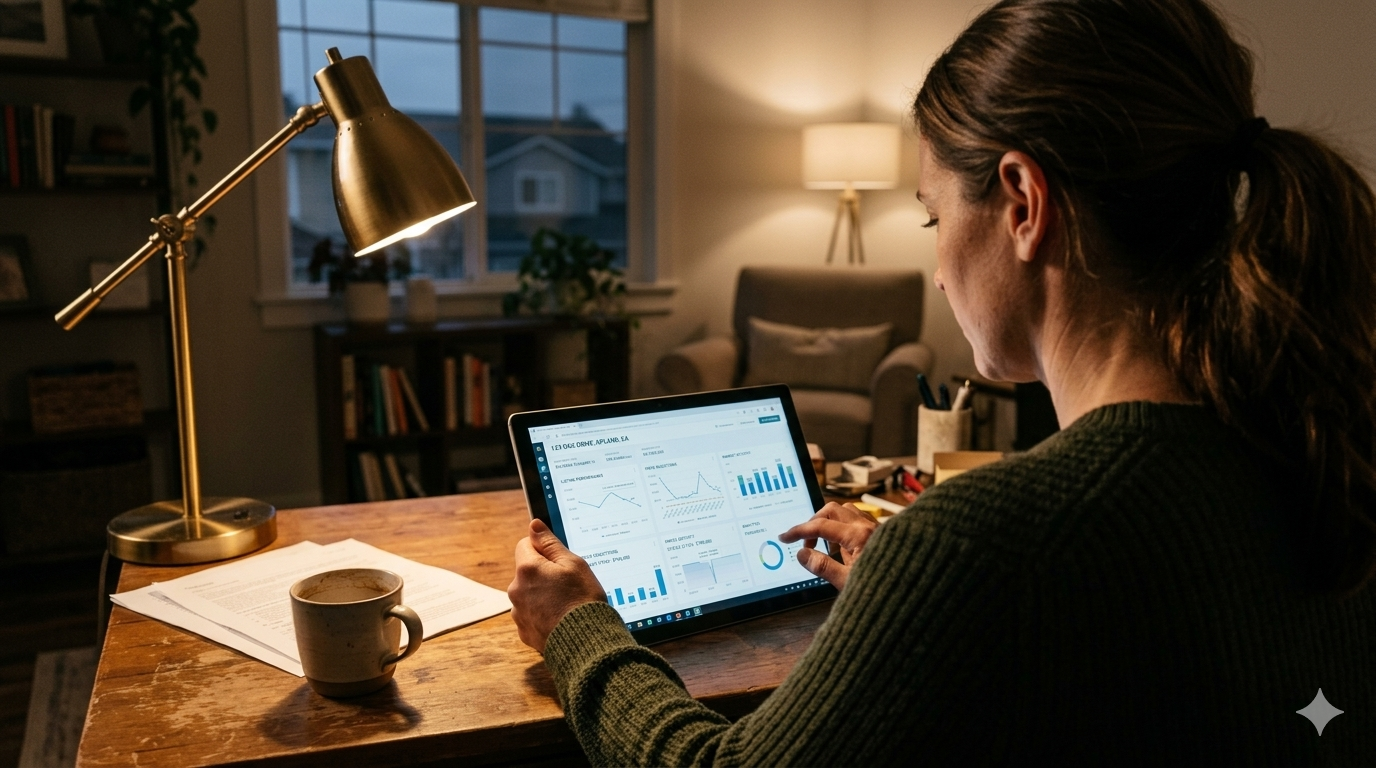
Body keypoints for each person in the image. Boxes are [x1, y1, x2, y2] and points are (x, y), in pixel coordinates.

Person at [506, 0, 1376, 763]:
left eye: (932, 215)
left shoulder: (983, 542)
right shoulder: (1321, 451)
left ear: (1024, 203)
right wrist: (911, 594)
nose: (935, 271)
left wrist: (581, 628)